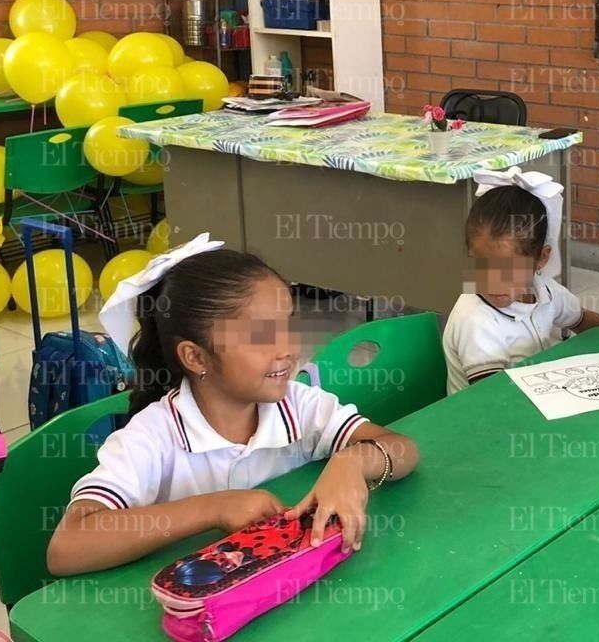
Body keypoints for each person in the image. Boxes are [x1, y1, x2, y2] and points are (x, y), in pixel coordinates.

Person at [48, 238, 419, 575]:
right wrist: (215, 507)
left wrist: (352, 462)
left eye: (288, 324)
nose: (288, 348)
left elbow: (403, 448)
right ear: (195, 357)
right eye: (261, 335)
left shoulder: (298, 405)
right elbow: (66, 548)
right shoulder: (152, 437)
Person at [443, 169, 599, 393]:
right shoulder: (475, 319)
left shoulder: (546, 291)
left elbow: (582, 319)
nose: (492, 282)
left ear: (541, 258)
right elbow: (492, 398)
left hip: (529, 399)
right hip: (485, 417)